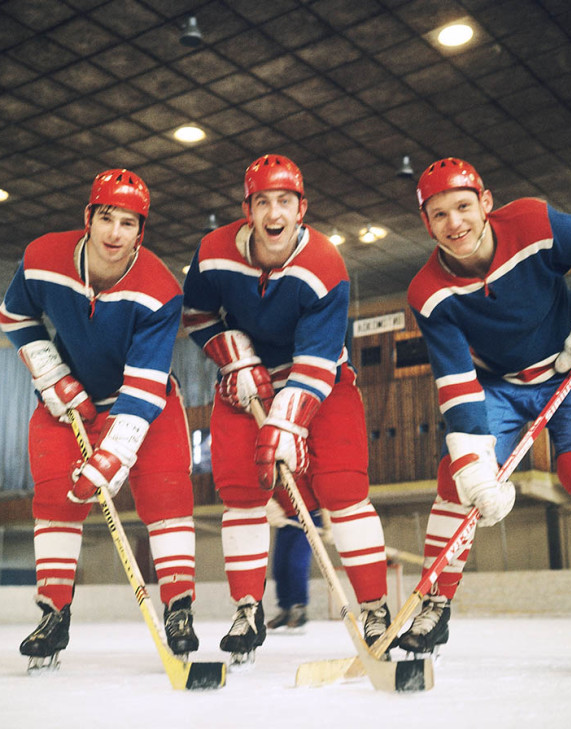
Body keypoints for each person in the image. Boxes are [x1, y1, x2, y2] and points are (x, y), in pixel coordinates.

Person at [399, 157, 571, 666]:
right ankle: (433, 607)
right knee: (455, 482)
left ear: (486, 203)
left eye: (464, 207)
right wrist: (473, 465)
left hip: (570, 367)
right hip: (497, 384)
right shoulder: (428, 292)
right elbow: (455, 381)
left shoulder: (534, 224)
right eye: (440, 214)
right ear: (427, 224)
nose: (455, 224)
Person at [182, 154, 391, 664]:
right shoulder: (212, 252)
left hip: (320, 381)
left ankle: (375, 608)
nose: (273, 213)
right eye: (262, 202)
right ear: (247, 209)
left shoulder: (325, 265)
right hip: (243, 383)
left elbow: (317, 361)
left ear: (303, 209)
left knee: (343, 490)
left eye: (285, 201)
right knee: (240, 494)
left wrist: (285, 421)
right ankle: (248, 610)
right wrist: (231, 353)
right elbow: (197, 313)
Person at [0, 168, 200, 670]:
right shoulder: (42, 257)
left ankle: (179, 609)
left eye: (128, 223)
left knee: (167, 497)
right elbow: (14, 316)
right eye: (106, 218)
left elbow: (146, 384)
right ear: (87, 217)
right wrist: (49, 372)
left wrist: (116, 451)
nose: (115, 233)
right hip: (71, 404)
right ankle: (53, 614)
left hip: (142, 402)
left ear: (141, 231)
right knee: (54, 501)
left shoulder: (160, 289)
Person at [265, 484, 327, 632]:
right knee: (279, 566)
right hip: (286, 518)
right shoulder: (273, 464)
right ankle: (285, 609)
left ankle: (299, 608)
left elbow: (320, 485)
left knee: (297, 563)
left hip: (309, 515)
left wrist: (327, 520)